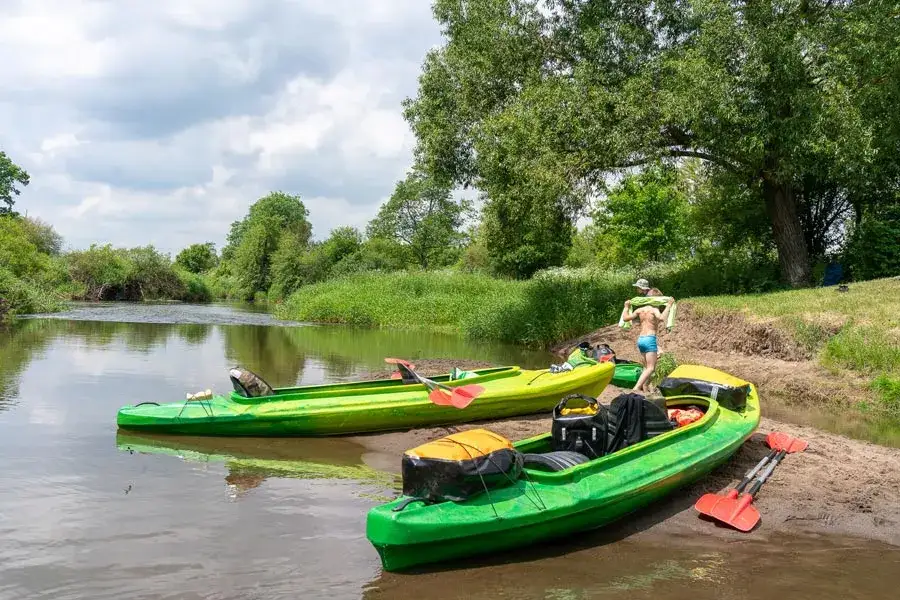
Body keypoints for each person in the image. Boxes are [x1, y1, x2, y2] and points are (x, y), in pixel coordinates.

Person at [622, 295, 675, 393]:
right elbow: (662, 318)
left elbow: (625, 318)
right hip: (650, 339)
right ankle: (636, 388)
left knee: (646, 367)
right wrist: (668, 305)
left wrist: (626, 307)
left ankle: (645, 389)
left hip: (641, 339)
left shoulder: (640, 310)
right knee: (651, 368)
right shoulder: (654, 310)